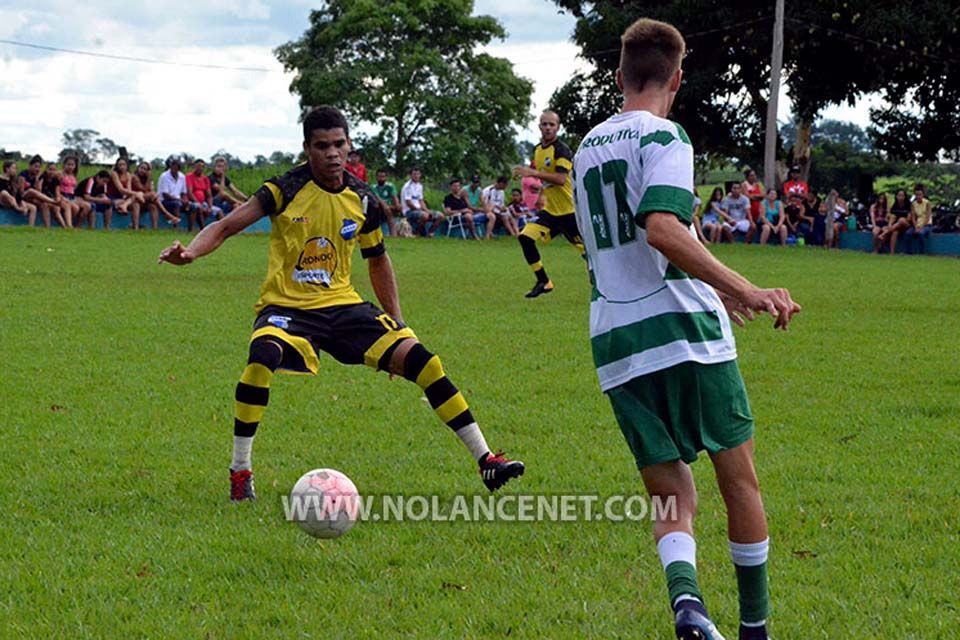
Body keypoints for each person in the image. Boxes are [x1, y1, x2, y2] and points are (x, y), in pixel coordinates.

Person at [157, 106, 524, 501]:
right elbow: (226, 225)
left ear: (349, 146)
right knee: (262, 356)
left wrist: (398, 323)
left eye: (339, 144)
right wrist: (191, 254)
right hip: (287, 307)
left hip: (343, 306)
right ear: (307, 149)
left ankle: (487, 461)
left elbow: (378, 259)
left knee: (423, 360)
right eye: (322, 146)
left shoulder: (362, 199)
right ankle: (240, 471)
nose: (332, 153)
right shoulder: (284, 189)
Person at [571, 18, 800, 640]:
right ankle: (754, 630)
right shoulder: (666, 134)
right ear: (677, 76)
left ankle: (690, 608)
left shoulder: (586, 147)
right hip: (684, 333)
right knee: (738, 479)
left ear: (619, 76)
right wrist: (741, 288)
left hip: (617, 339)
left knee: (670, 490)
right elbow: (662, 227)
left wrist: (712, 285)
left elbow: (621, 244)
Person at [513, 111, 583, 298]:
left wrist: (531, 173)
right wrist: (542, 195)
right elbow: (546, 178)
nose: (548, 128)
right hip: (551, 212)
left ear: (558, 128)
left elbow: (560, 179)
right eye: (544, 124)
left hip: (570, 212)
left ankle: (605, 286)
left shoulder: (562, 150)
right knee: (525, 237)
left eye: (552, 124)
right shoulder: (538, 150)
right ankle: (544, 281)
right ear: (539, 126)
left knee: (589, 255)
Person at [132, 162, 180, 229]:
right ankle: (167, 214)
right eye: (141, 168)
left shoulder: (146, 179)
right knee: (149, 197)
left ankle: (155, 228)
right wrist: (149, 178)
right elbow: (143, 189)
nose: (142, 170)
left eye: (145, 169)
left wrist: (153, 195)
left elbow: (151, 190)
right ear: (138, 168)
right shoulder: (134, 177)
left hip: (144, 200)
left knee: (153, 206)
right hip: (134, 199)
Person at [401, 167, 440, 237]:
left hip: (419, 210)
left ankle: (430, 233)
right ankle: (417, 233)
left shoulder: (419, 186)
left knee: (441, 216)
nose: (416, 176)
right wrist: (421, 211)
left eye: (418, 174)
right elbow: (409, 203)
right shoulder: (407, 186)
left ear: (420, 175)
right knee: (424, 216)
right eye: (414, 174)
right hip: (409, 211)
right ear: (410, 175)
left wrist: (427, 210)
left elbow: (421, 201)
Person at [108, 157, 145, 228]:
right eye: (120, 165)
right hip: (114, 197)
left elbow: (129, 189)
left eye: (124, 164)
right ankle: (124, 205)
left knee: (136, 204)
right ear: (117, 166)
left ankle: (135, 227)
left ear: (127, 166)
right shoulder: (114, 174)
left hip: (124, 198)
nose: (122, 167)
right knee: (138, 194)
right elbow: (121, 189)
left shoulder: (128, 174)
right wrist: (136, 194)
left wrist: (133, 195)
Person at [186, 159, 222, 229]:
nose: (200, 168)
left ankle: (222, 230)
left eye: (202, 167)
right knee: (198, 207)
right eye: (198, 166)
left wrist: (210, 207)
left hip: (203, 203)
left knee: (219, 211)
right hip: (192, 202)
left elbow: (209, 196)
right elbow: (189, 193)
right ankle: (201, 229)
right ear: (194, 167)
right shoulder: (189, 176)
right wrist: (199, 204)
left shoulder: (205, 179)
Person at [0, 160, 37, 225]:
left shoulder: (14, 180)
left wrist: (22, 203)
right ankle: (18, 209)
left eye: (16, 168)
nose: (15, 170)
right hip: (3, 201)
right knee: (4, 192)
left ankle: (31, 227)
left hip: (13, 202)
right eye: (13, 168)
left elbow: (17, 195)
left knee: (33, 208)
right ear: (7, 169)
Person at [158, 158, 191, 230]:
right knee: (177, 204)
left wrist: (185, 200)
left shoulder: (182, 176)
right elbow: (165, 195)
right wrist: (179, 200)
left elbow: (183, 192)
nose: (174, 170)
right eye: (173, 167)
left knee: (193, 206)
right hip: (165, 200)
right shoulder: (164, 176)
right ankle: (176, 226)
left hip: (178, 199)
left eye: (177, 168)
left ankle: (190, 229)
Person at [61, 156, 93, 227]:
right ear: (64, 164)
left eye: (72, 165)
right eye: (68, 164)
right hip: (63, 195)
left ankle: (78, 225)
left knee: (88, 206)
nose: (70, 167)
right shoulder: (60, 174)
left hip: (72, 196)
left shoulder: (73, 176)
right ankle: (69, 224)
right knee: (75, 208)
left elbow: (73, 189)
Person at [38, 162, 71, 228]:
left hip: (52, 199)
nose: (52, 172)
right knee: (48, 206)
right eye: (50, 169)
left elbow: (57, 192)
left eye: (54, 170)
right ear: (46, 169)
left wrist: (58, 200)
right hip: (43, 198)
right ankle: (48, 226)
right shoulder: (42, 177)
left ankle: (68, 226)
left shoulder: (55, 180)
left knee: (66, 205)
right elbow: (38, 190)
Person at [880, 189, 912, 254]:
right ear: (896, 196)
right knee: (895, 232)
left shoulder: (908, 205)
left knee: (901, 220)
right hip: (897, 226)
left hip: (907, 225)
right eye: (899, 195)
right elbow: (892, 217)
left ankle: (885, 233)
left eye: (902, 196)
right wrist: (890, 225)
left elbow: (909, 218)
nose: (901, 197)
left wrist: (901, 221)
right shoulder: (895, 205)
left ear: (905, 197)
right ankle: (892, 252)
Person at [905, 183, 933, 254]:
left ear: (923, 194)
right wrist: (915, 226)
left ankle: (922, 252)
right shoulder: (913, 204)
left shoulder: (927, 203)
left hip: (926, 224)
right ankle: (909, 252)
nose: (918, 196)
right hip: (917, 224)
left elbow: (928, 217)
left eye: (920, 194)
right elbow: (913, 217)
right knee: (908, 233)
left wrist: (921, 227)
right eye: (917, 195)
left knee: (921, 234)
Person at [372, 169, 401, 236]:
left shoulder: (390, 186)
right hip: (378, 208)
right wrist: (386, 207)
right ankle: (393, 233)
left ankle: (404, 231)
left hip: (390, 207)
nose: (381, 178)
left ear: (386, 177)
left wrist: (397, 205)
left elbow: (394, 196)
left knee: (400, 207)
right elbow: (378, 199)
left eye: (383, 176)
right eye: (379, 176)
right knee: (387, 210)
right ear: (376, 177)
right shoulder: (373, 187)